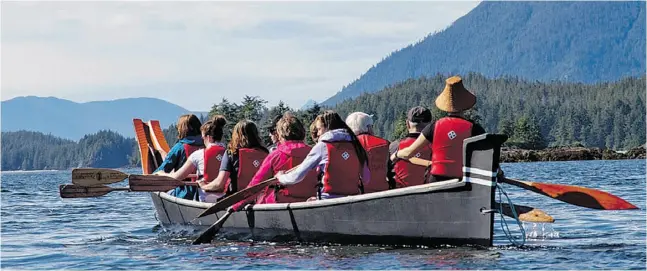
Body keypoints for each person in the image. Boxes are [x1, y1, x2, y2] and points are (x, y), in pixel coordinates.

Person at [391, 76, 485, 182]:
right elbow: (486, 158)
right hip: (463, 180)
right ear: (465, 105)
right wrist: (499, 172)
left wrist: (396, 154)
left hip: (436, 180)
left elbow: (409, 153)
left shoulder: (434, 127)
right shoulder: (476, 129)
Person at [231, 113, 318, 211]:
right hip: (309, 203)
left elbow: (256, 185)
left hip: (278, 207)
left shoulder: (275, 155)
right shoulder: (314, 153)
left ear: (280, 134)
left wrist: (236, 205)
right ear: (302, 132)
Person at [275, 110, 370, 200]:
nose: (318, 133)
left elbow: (296, 176)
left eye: (319, 129)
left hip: (327, 200)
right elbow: (366, 179)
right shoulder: (356, 146)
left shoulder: (322, 146)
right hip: (353, 200)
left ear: (327, 128)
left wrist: (281, 177)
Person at [155, 116, 227, 202]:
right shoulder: (228, 153)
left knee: (169, 192)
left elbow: (174, 176)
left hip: (186, 194)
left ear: (207, 137)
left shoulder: (188, 151)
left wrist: (159, 173)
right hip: (223, 197)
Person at [199, 120, 269, 196]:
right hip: (260, 199)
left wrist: (203, 186)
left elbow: (219, 183)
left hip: (236, 200)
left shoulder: (232, 153)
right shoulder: (266, 153)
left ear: (236, 135)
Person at [153, 114, 204, 199]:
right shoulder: (207, 145)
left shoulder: (179, 147)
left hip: (185, 193)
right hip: (205, 191)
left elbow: (164, 169)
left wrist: (154, 174)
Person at [387, 106, 434, 188]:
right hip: (428, 194)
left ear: (407, 124)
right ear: (430, 125)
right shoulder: (436, 146)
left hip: (400, 195)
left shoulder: (394, 146)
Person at [345, 112, 390, 193]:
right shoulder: (384, 144)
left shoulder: (345, 147)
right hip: (382, 192)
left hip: (356, 193)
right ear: (368, 127)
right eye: (372, 126)